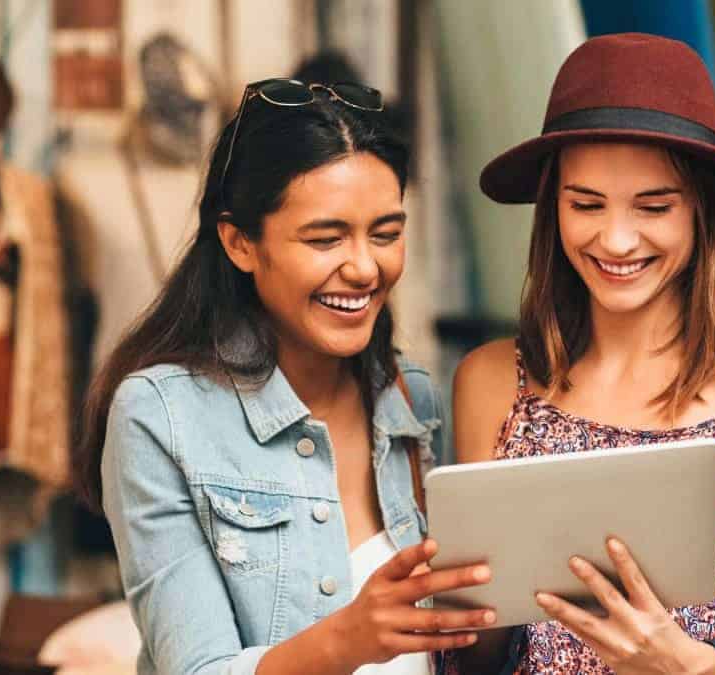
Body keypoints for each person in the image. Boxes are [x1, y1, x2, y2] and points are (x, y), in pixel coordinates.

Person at [449, 33, 715, 674]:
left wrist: (695, 665)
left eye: (654, 206)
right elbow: (477, 658)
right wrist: (452, 609)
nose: (617, 239)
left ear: (700, 212)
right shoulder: (494, 381)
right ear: (552, 210)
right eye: (585, 205)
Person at [72, 78, 494, 675]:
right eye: (325, 238)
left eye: (386, 233)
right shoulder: (160, 414)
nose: (364, 267)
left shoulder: (409, 395)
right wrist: (346, 639)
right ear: (240, 243)